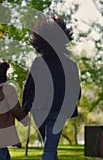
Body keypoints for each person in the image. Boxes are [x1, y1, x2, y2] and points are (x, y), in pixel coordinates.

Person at [22, 15, 81, 160]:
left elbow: (28, 87)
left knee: (49, 147)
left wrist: (24, 107)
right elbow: (77, 92)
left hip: (39, 110)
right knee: (50, 148)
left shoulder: (38, 63)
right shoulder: (71, 65)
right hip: (60, 110)